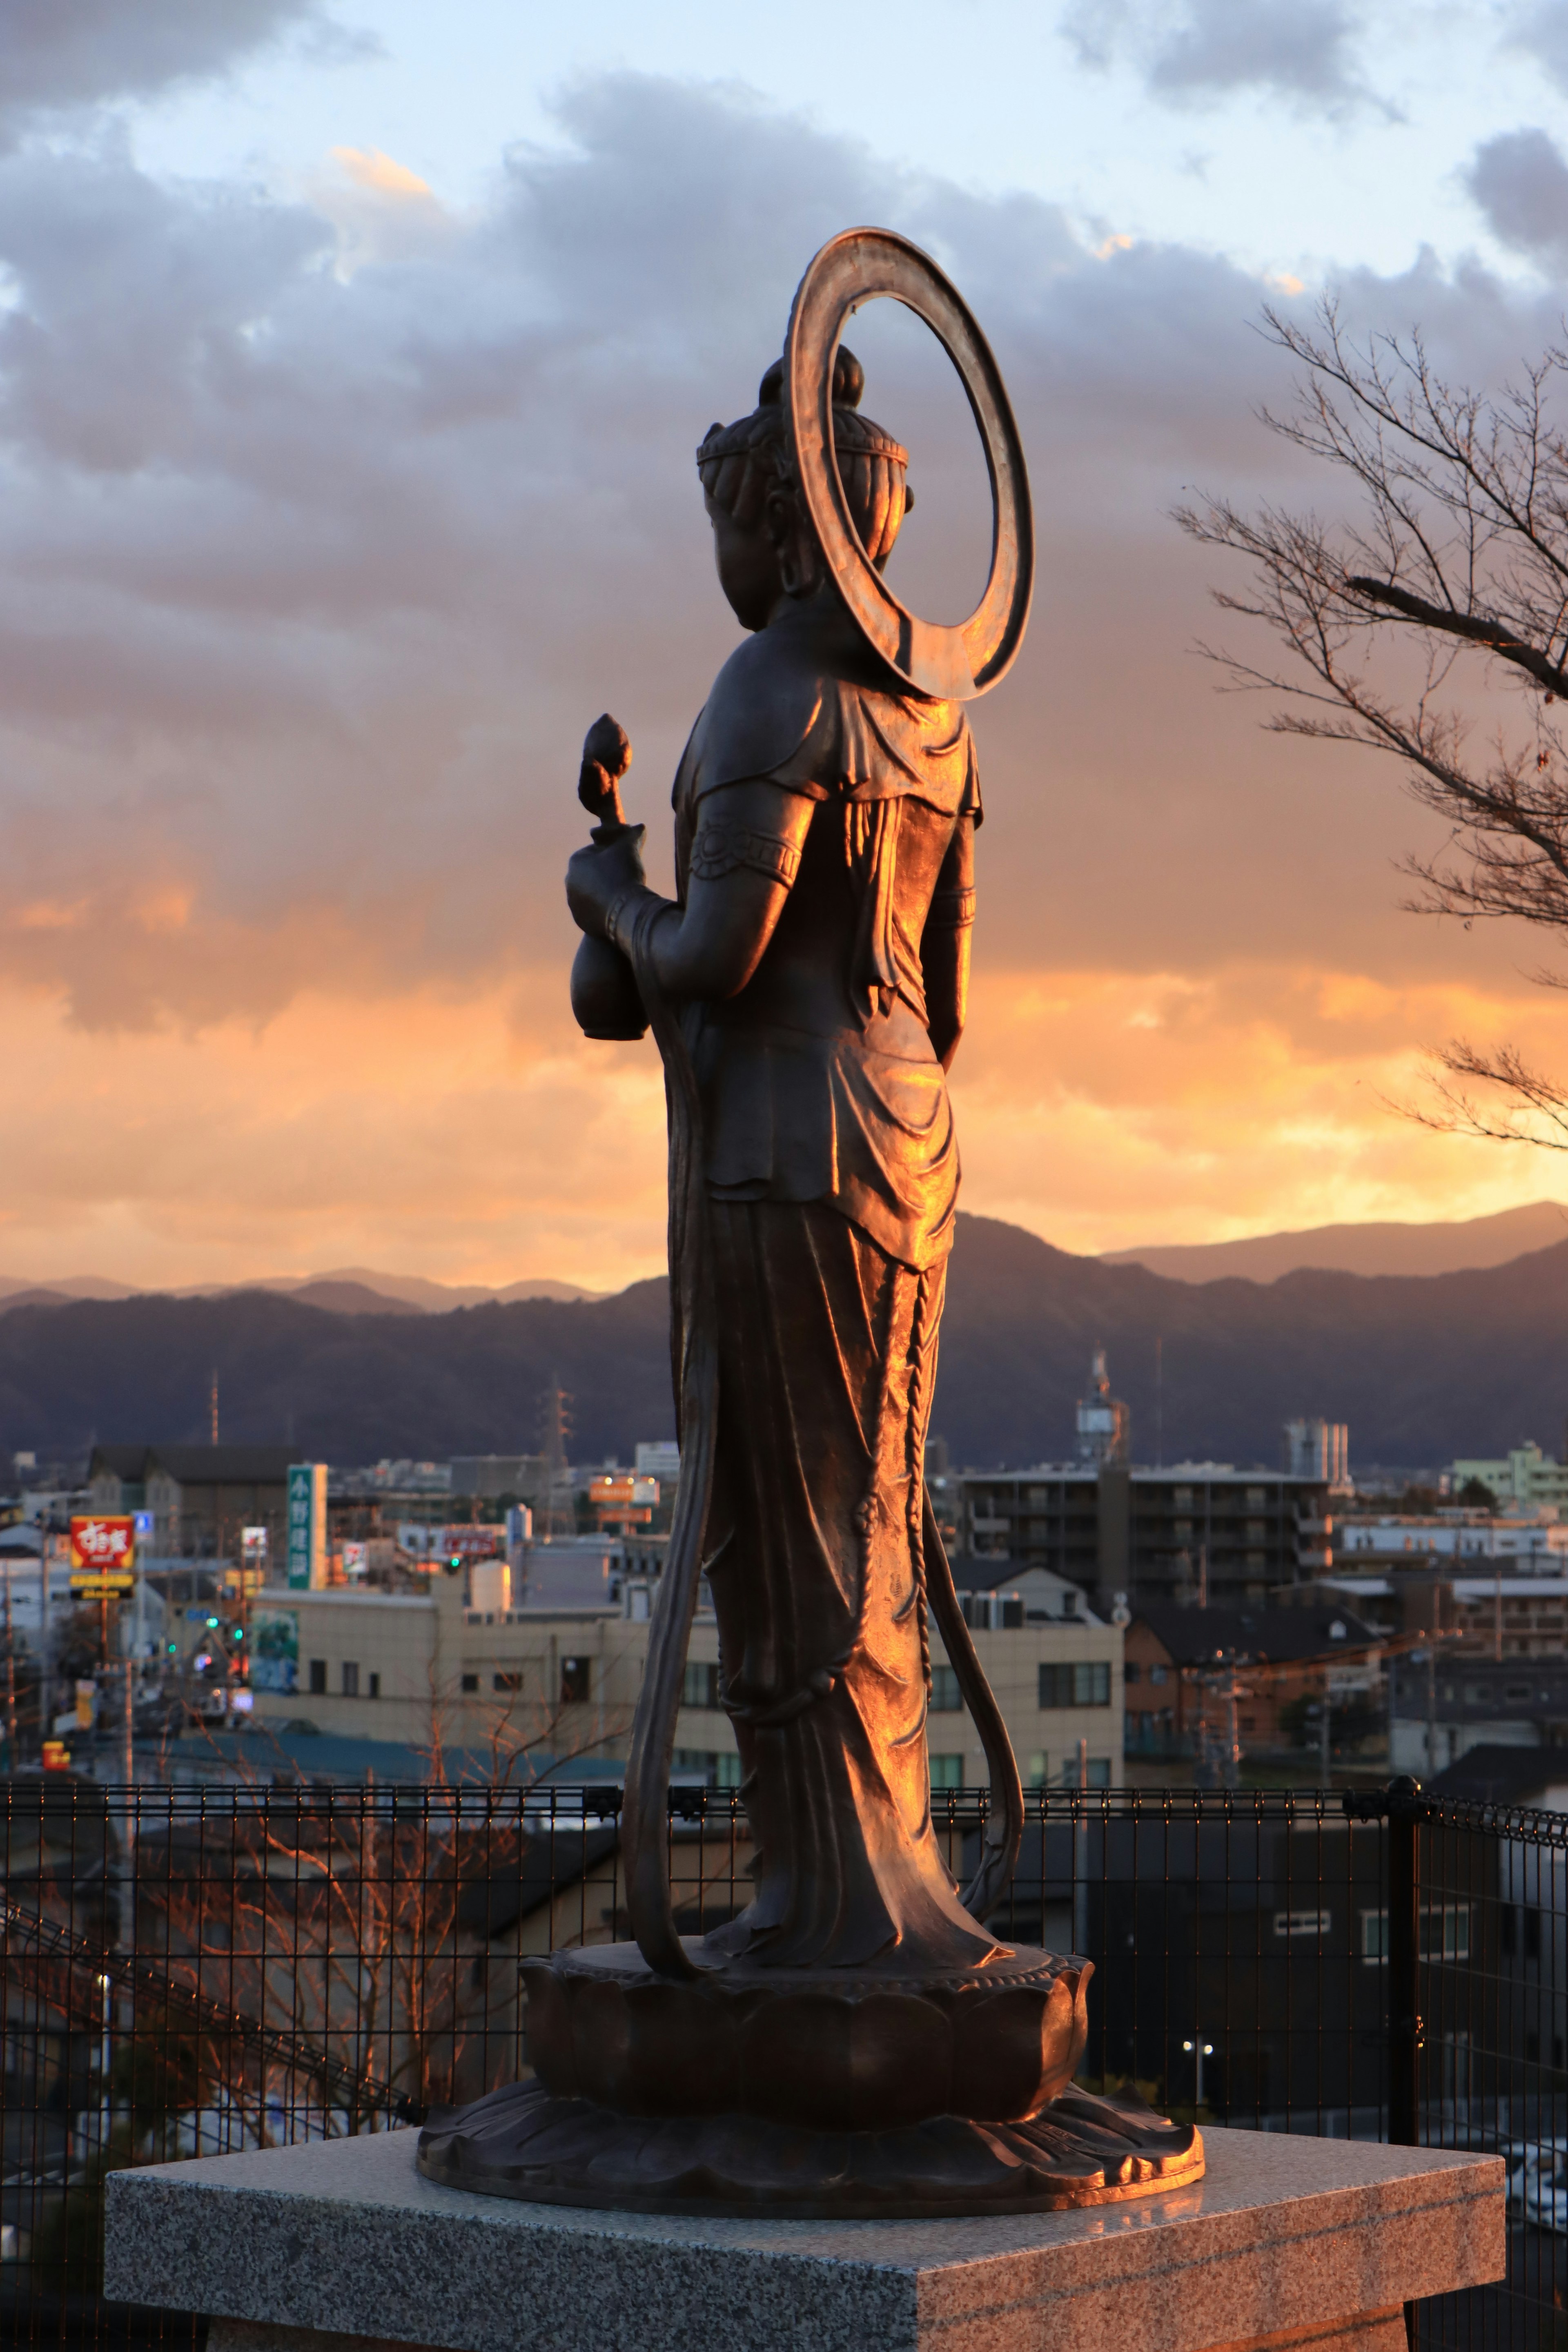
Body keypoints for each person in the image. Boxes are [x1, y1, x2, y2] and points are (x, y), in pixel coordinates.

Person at [566, 349, 1002, 1976]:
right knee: (866, 1510)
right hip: (906, 1136)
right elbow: (941, 999)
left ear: (791, 520)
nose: (728, 569)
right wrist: (623, 877)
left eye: (732, 531)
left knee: (781, 1518)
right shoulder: (937, 720)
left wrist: (604, 889)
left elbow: (708, 959)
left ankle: (834, 1906)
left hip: (783, 1148)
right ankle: (862, 1878)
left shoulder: (769, 694)